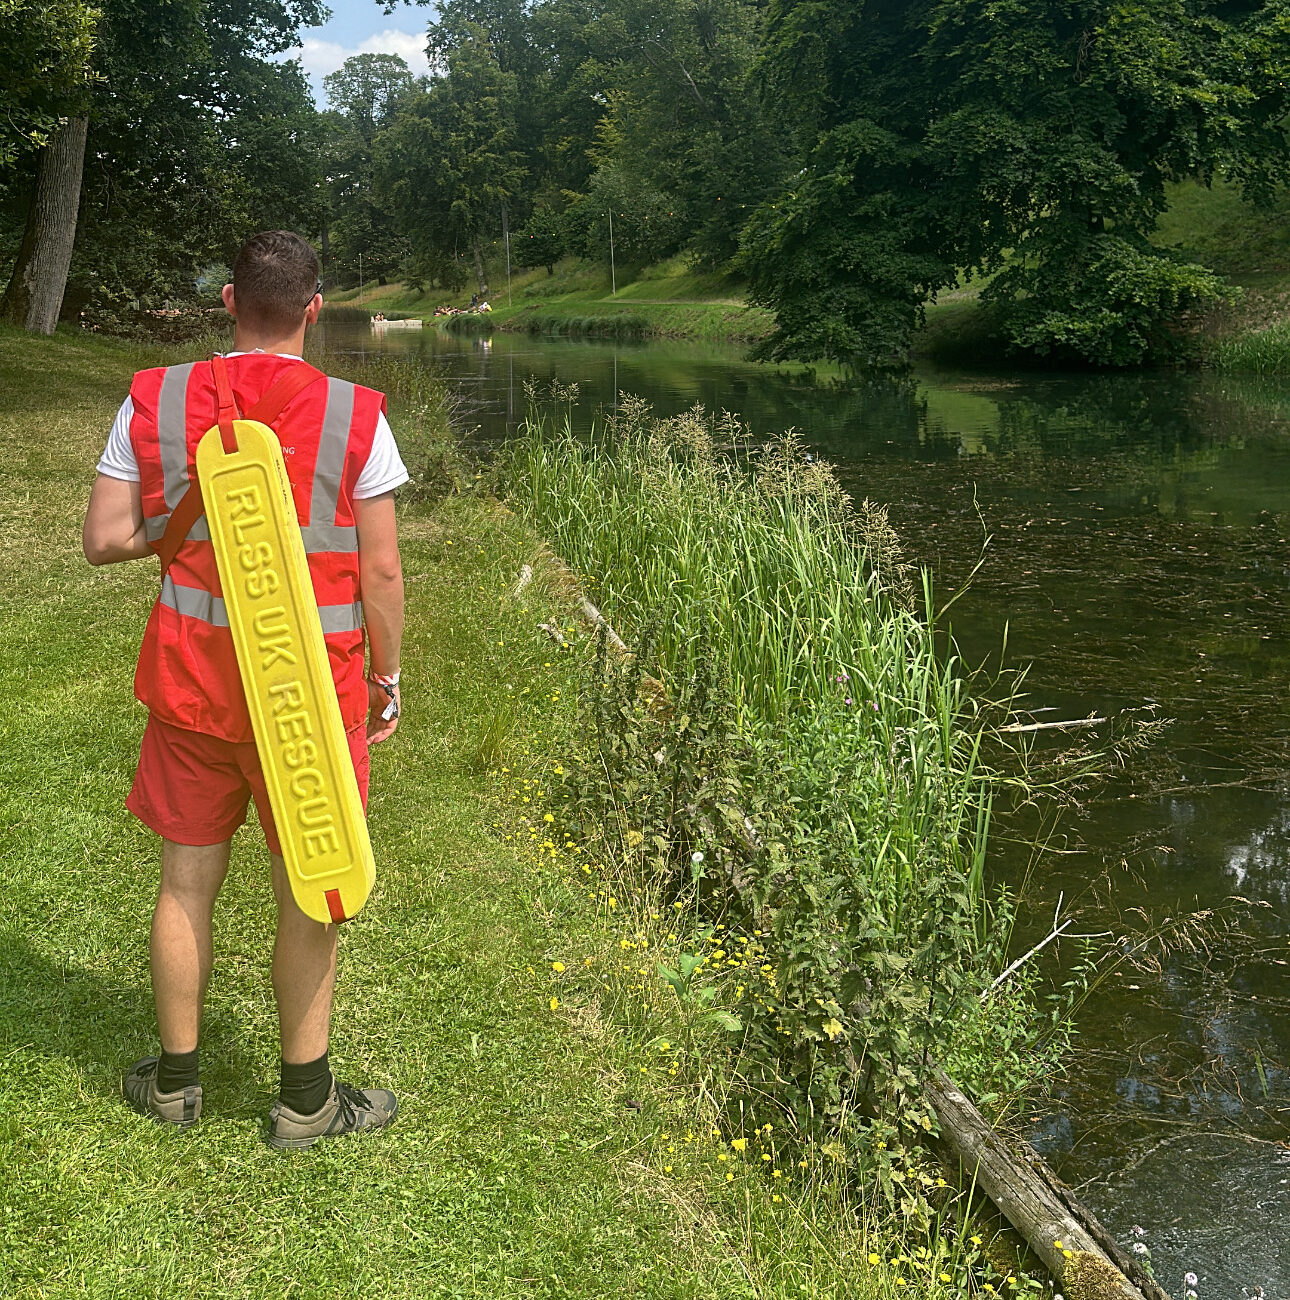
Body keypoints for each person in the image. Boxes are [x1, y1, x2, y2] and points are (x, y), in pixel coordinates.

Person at [82, 230, 406, 1149]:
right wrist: (387, 678)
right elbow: (382, 572)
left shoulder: (156, 398)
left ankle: (175, 1085)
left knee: (186, 881)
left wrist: (183, 523)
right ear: (314, 309)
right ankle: (305, 1102)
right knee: (311, 882)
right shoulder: (355, 414)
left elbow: (104, 540)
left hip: (194, 686)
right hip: (313, 698)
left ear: (229, 301)